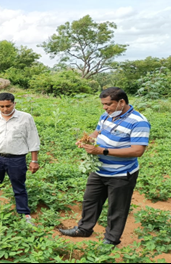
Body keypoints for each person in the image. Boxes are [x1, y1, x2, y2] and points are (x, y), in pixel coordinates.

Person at [59, 87, 151, 246]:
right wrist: (87, 140)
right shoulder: (106, 116)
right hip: (99, 169)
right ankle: (84, 229)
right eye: (103, 104)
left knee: (117, 208)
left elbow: (137, 151)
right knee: (90, 201)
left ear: (121, 102)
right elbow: (97, 133)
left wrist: (103, 151)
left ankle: (111, 239)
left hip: (121, 174)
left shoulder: (139, 122)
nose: (105, 108)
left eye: (109, 104)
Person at [0, 92, 40, 225]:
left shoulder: (25, 118)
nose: (5, 109)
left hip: (17, 159)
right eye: (2, 106)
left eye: (8, 106)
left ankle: (24, 214)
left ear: (14, 103)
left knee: (19, 187)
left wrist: (34, 160)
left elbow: (33, 139)